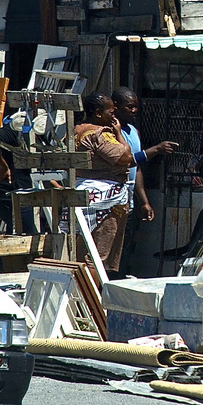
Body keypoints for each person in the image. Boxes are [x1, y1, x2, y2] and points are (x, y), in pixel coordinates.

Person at [74, 92, 136, 276]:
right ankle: (91, 300)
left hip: (82, 195)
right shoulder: (100, 133)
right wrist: (118, 133)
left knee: (81, 251)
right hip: (105, 201)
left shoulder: (77, 130)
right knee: (97, 255)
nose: (114, 116)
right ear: (98, 113)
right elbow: (125, 157)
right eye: (111, 112)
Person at [112, 87, 178, 228]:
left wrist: (144, 202)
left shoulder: (134, 131)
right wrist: (156, 149)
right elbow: (126, 160)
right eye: (130, 107)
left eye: (136, 107)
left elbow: (136, 169)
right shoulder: (109, 133)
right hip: (111, 202)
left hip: (128, 202)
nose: (134, 110)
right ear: (116, 106)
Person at [0, 111, 32, 231]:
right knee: (29, 235)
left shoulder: (42, 134)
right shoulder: (17, 130)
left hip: (24, 195)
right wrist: (3, 166)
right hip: (11, 194)